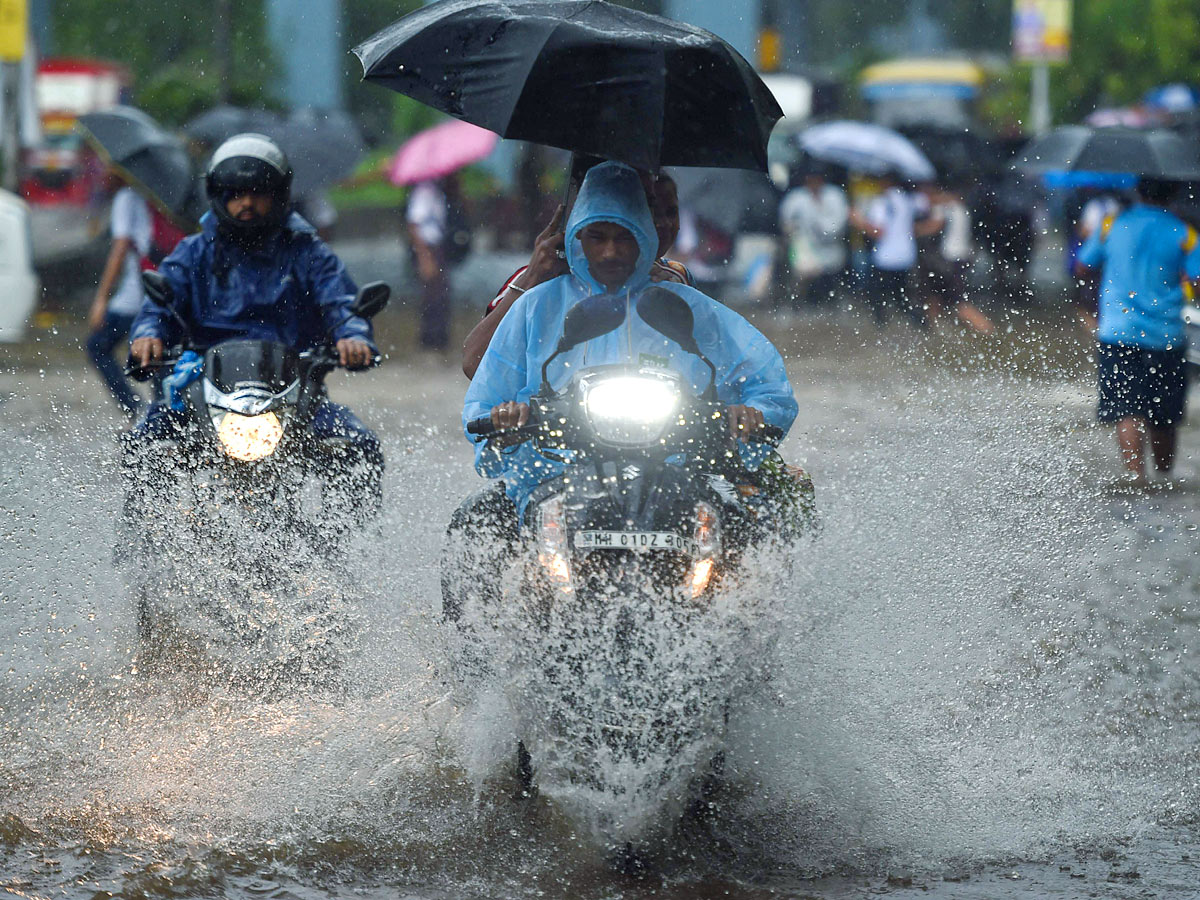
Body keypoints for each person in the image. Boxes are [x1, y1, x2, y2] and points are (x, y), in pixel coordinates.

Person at [461, 160, 798, 522]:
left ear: (644, 234)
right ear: (575, 236)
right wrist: (506, 420)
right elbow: (485, 396)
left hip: (677, 476)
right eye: (597, 236)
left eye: (624, 237)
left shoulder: (684, 300)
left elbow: (764, 384)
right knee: (475, 524)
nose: (610, 252)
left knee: (751, 528)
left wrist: (748, 415)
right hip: (554, 477)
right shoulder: (535, 303)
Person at [125, 133, 382, 506]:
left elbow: (340, 301)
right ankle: (145, 544)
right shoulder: (194, 251)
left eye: (257, 193)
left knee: (359, 448)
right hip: (203, 387)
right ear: (218, 196)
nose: (246, 203)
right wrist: (148, 335)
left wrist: (352, 335)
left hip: (294, 389)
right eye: (234, 193)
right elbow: (160, 304)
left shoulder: (308, 252)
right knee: (145, 445)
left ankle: (344, 542)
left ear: (278, 195)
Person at [460, 163, 691, 379]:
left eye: (670, 212)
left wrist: (679, 299)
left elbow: (709, 364)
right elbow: (475, 364)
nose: (661, 223)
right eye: (647, 208)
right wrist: (532, 278)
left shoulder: (675, 278)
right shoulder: (544, 275)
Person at [1076, 177, 1200, 482]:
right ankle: (1164, 478)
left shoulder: (1110, 225)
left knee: (1125, 408)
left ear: (1138, 192)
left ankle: (1136, 477)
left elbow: (1082, 265)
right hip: (1166, 334)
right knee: (1164, 414)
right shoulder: (1184, 233)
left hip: (1118, 331)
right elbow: (1197, 282)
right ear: (1172, 195)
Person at [86, 170, 153, 418]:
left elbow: (120, 248)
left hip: (137, 294)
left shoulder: (128, 197)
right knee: (160, 352)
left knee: (97, 345)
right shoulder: (157, 196)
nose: (103, 172)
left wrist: (101, 299)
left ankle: (136, 409)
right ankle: (159, 413)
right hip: (162, 290)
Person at [850, 171, 939, 328]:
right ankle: (924, 327)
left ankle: (882, 332)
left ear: (885, 182)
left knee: (877, 300)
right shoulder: (910, 198)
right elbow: (930, 206)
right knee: (903, 299)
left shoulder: (882, 202)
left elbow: (878, 232)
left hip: (885, 258)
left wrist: (858, 221)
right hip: (906, 256)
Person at [916, 183, 994, 335]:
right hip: (959, 258)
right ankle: (935, 330)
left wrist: (912, 230)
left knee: (958, 302)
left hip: (949, 260)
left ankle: (988, 331)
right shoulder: (962, 209)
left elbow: (934, 226)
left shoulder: (947, 209)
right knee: (934, 295)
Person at [406, 175, 463, 354]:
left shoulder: (438, 191)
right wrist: (425, 257)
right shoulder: (424, 191)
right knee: (433, 294)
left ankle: (438, 338)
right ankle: (431, 339)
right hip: (428, 248)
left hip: (437, 246)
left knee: (440, 293)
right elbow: (414, 224)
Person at [778, 165, 848, 307]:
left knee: (830, 281)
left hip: (831, 248)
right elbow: (785, 222)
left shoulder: (835, 196)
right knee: (802, 274)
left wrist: (820, 219)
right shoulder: (796, 198)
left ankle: (829, 304)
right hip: (804, 248)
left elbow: (839, 224)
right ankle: (798, 303)